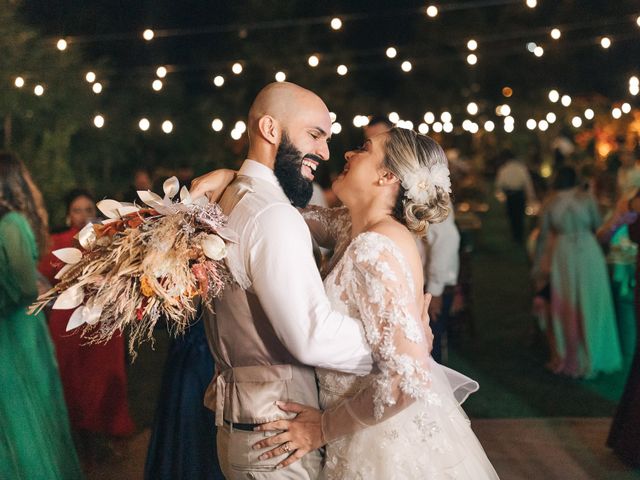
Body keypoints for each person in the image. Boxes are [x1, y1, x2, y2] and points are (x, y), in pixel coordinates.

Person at [250, 128, 497, 478]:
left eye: (364, 149)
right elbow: (286, 218)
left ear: (387, 175)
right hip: (357, 431)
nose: (348, 154)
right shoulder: (353, 228)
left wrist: (321, 429)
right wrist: (239, 179)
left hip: (382, 443)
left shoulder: (377, 247)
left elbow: (407, 377)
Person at [190, 82, 375, 479]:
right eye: (315, 135)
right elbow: (312, 335)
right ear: (270, 130)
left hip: (254, 429)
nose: (325, 152)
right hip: (277, 441)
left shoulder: (232, 196)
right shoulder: (271, 215)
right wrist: (393, 346)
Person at [0, 152, 84, 479]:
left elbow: (18, 282)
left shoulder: (9, 223)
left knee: (16, 411)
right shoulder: (9, 222)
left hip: (13, 328)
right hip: (15, 326)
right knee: (19, 408)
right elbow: (21, 284)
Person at [38, 189, 135, 460]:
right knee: (73, 381)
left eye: (88, 209)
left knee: (105, 379)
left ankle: (108, 437)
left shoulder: (110, 238)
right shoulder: (56, 242)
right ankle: (78, 442)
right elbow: (40, 278)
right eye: (77, 210)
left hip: (101, 322)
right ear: (68, 214)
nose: (83, 215)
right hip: (67, 322)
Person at [533, 166, 622, 378]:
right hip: (588, 250)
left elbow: (543, 237)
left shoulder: (550, 203)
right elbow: (598, 227)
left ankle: (571, 355)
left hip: (564, 253)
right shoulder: (586, 198)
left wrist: (538, 266)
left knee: (568, 304)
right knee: (593, 301)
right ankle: (597, 352)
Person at [495, 149, 537, 243]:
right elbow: (527, 183)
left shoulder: (504, 169)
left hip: (510, 196)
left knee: (512, 216)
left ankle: (515, 235)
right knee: (520, 216)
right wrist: (531, 196)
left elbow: (499, 185)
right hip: (519, 195)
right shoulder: (520, 168)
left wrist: (501, 198)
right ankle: (519, 236)